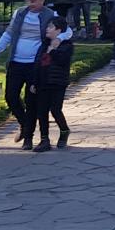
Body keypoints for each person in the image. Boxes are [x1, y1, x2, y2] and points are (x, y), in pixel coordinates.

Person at [0, 0, 57, 151]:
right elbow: (9, 34)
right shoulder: (20, 13)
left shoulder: (51, 15)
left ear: (42, 0)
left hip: (35, 64)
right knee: (11, 96)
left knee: (31, 101)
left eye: (34, 1)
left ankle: (28, 138)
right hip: (16, 62)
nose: (31, 4)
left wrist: (58, 41)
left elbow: (65, 31)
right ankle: (25, 124)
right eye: (29, 1)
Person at [29, 16, 75, 151]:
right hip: (43, 82)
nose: (47, 29)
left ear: (59, 30)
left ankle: (64, 130)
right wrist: (34, 82)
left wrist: (53, 51)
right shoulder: (44, 45)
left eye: (50, 27)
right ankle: (44, 140)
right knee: (42, 110)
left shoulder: (66, 45)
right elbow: (37, 64)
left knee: (55, 109)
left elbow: (62, 60)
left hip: (57, 83)